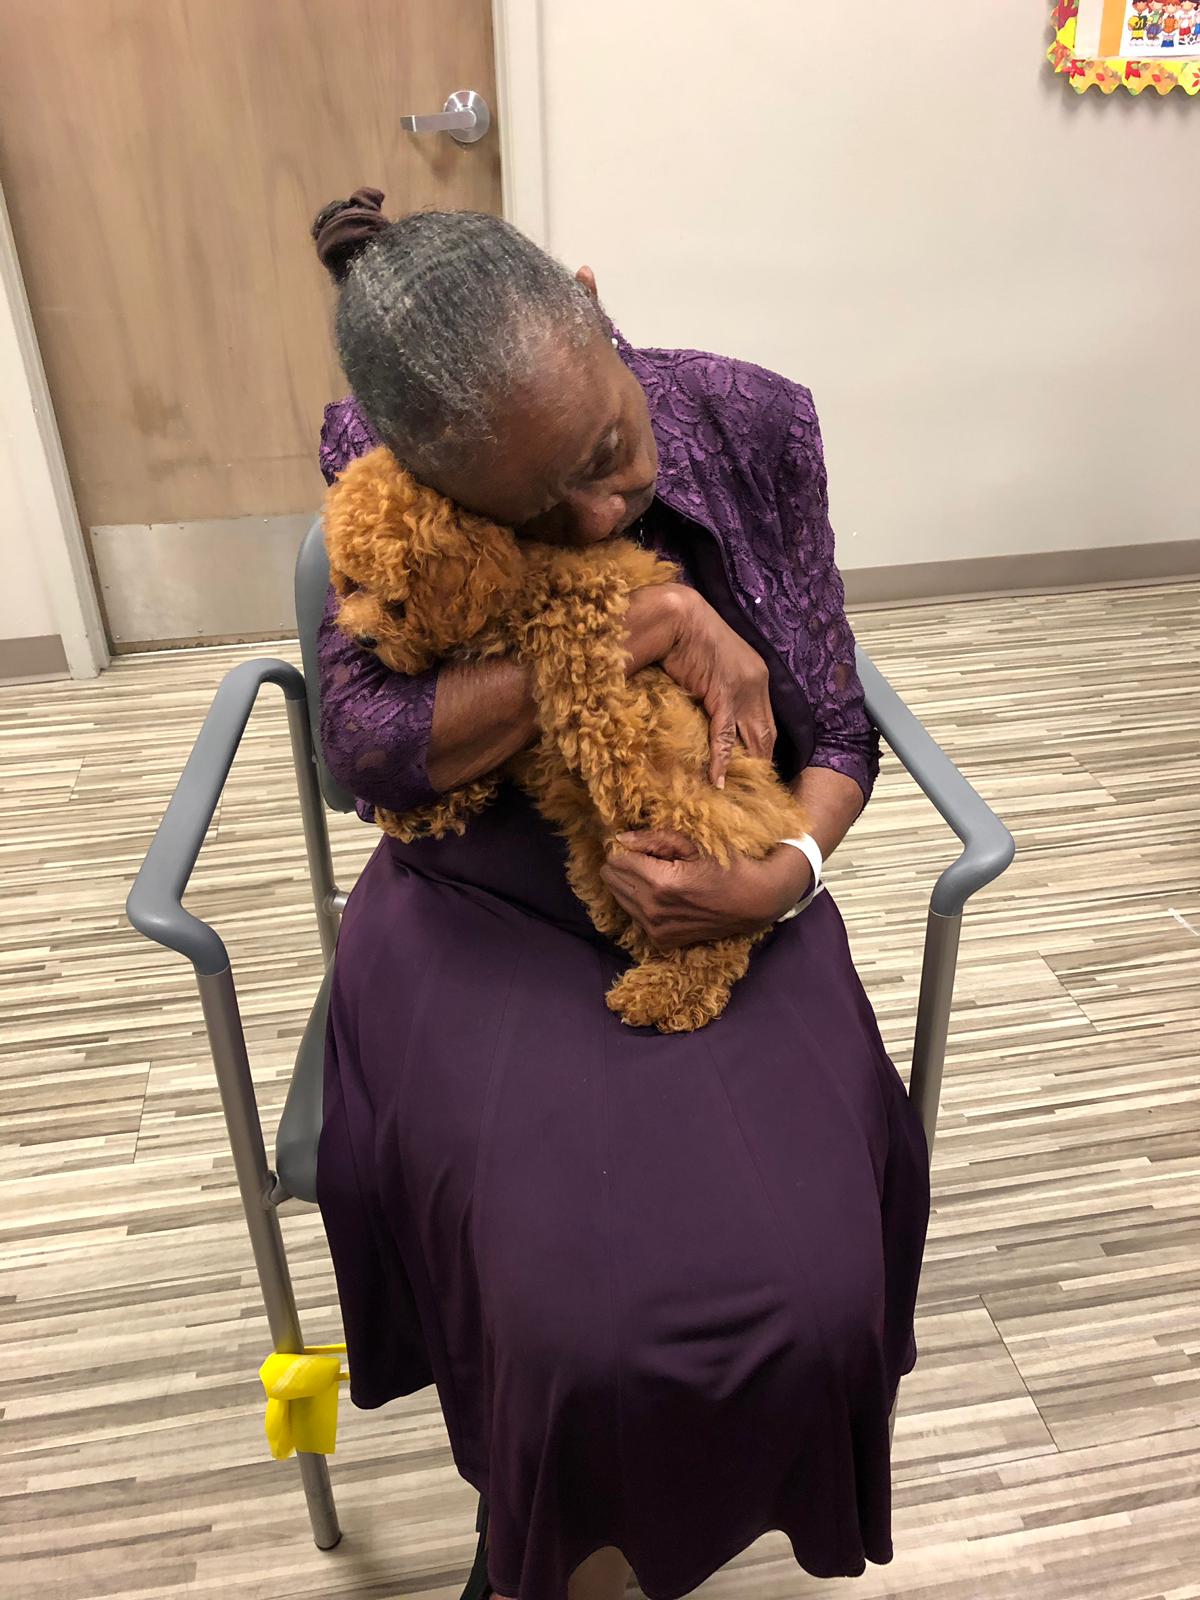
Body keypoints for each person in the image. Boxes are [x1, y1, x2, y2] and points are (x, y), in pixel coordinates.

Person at [312, 190, 931, 1600]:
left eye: (604, 456)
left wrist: (784, 879)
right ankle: (544, 1548)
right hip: (484, 903)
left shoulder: (752, 423)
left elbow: (837, 731)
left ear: (593, 304)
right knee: (570, 1328)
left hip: (729, 875)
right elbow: (362, 748)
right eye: (534, 509)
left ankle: (648, 1535)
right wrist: (622, 633)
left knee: (816, 1297)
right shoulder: (378, 453)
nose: (601, 510)